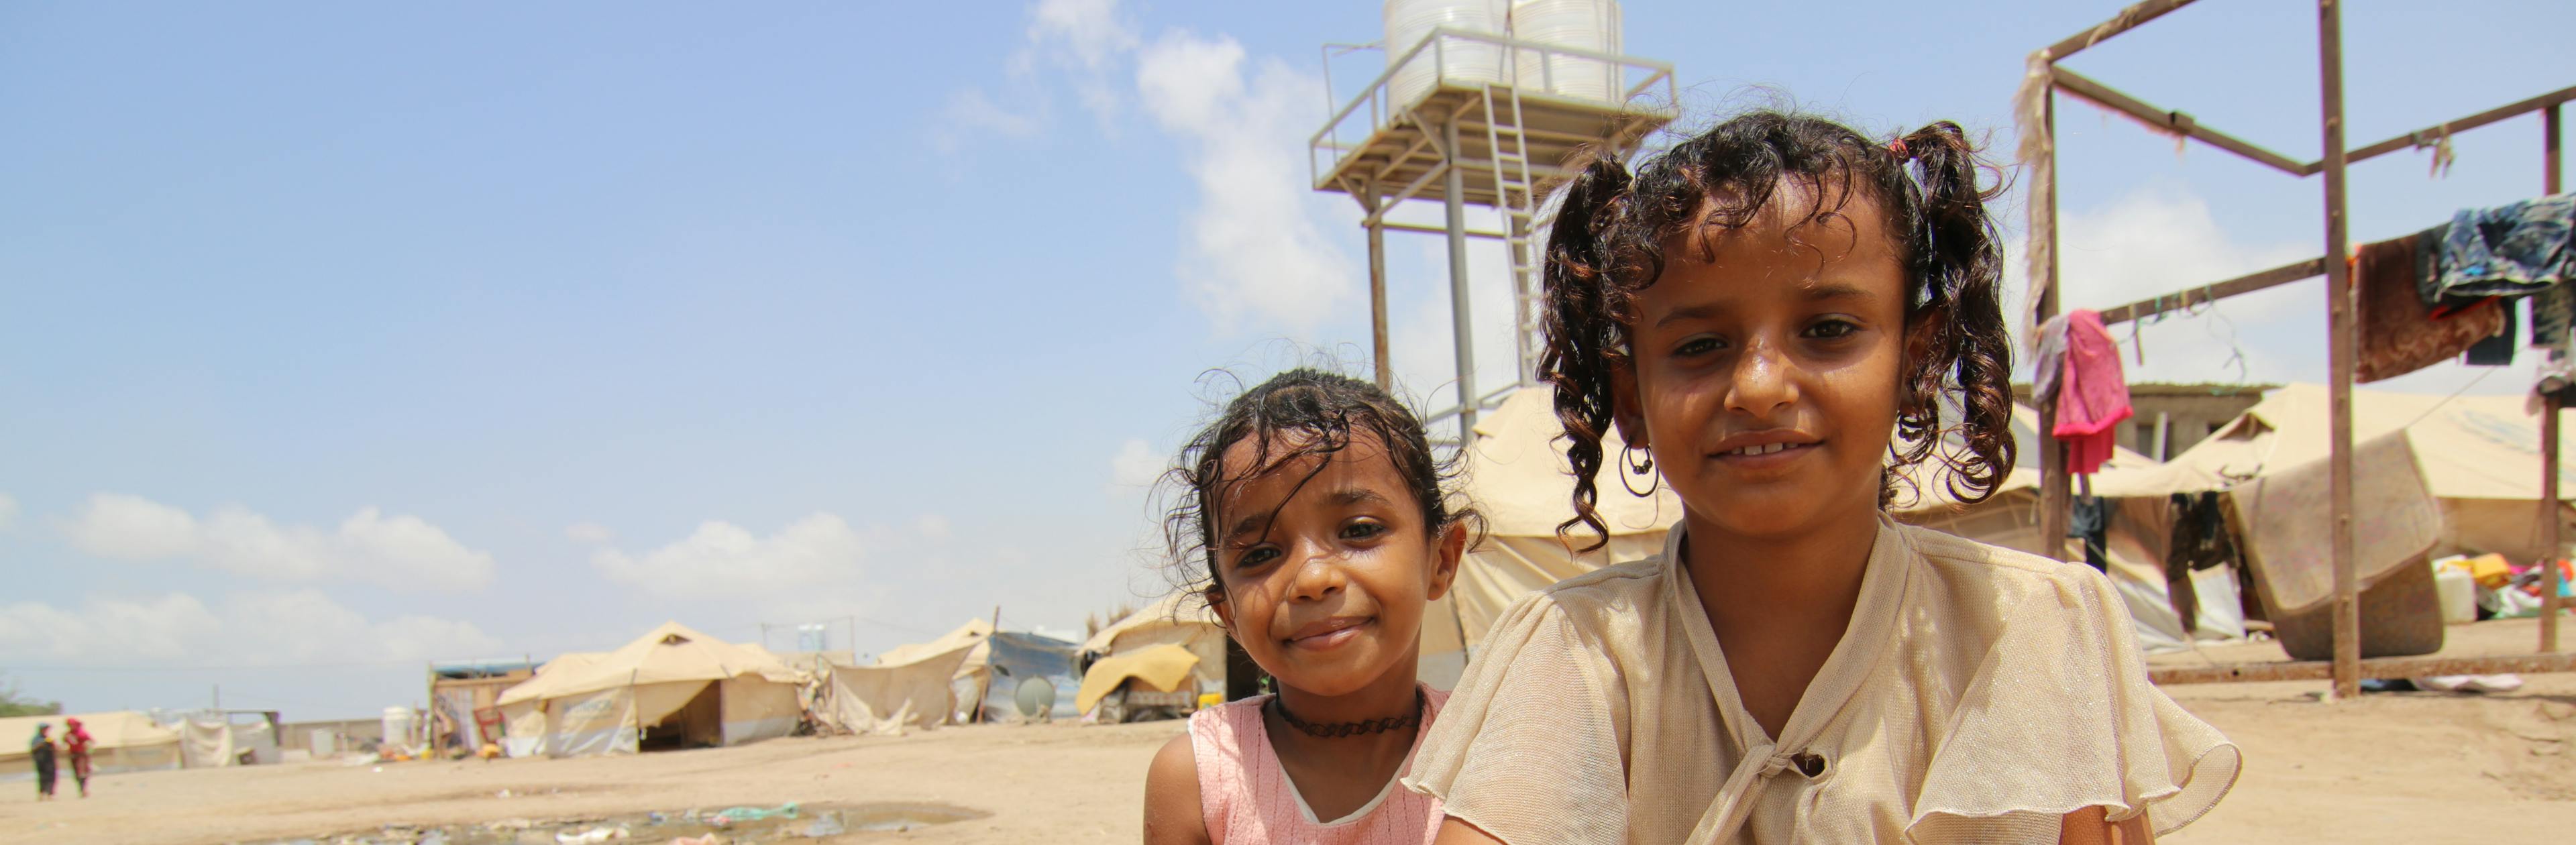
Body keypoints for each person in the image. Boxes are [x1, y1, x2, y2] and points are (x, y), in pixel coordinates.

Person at [1403, 111, 2239, 844]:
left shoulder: (2030, 630)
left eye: (1829, 330)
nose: (1761, 385)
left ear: (1917, 360)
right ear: (1632, 398)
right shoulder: (1572, 652)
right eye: (1700, 346)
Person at [1142, 369, 1475, 845]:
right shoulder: (1197, 777)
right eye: (1260, 555)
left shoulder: (1481, 754)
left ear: (1441, 559)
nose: (1314, 580)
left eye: (1359, 530)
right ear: (1227, 613)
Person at [62, 716, 93, 798]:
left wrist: (88, 748)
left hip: (82, 755)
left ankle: (83, 789)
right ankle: (81, 788)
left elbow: (90, 741)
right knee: (76, 773)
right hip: (73, 755)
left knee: (82, 772)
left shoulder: (82, 733)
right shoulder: (68, 734)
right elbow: (65, 742)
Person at [28, 723, 56, 801]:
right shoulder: (36, 739)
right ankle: (42, 793)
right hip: (40, 761)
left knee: (51, 776)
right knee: (42, 777)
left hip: (50, 760)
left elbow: (55, 749)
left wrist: (52, 744)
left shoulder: (48, 738)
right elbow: (33, 749)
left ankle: (50, 793)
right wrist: (42, 744)